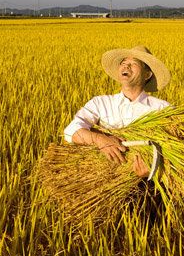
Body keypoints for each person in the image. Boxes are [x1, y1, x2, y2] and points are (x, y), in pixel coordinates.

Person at [64, 45, 171, 178]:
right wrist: (100, 140)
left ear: (147, 75)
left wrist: (154, 170)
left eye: (133, 64)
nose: (126, 66)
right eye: (124, 63)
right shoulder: (100, 103)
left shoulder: (162, 109)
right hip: (102, 179)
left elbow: (174, 147)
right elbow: (71, 131)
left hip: (149, 189)